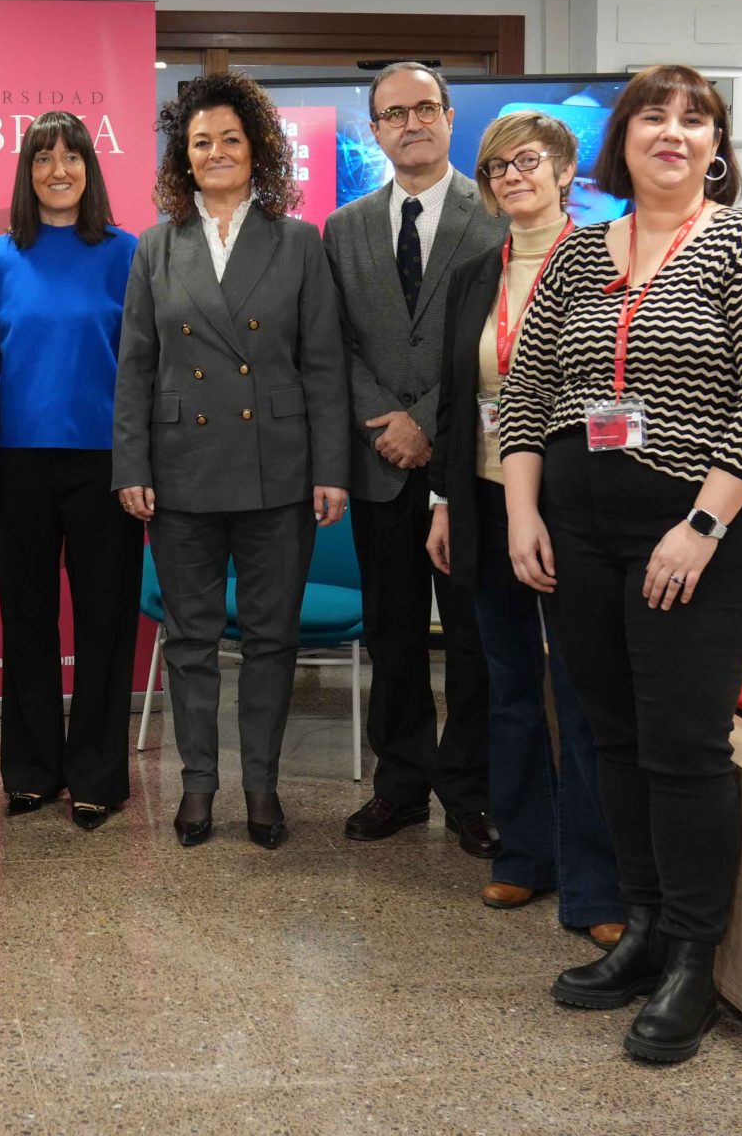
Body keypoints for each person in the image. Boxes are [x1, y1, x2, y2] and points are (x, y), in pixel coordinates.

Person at [498, 65, 742, 1064]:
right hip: (576, 535)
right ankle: (639, 927)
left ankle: (691, 957)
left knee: (682, 744)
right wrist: (520, 514)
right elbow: (527, 389)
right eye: (653, 116)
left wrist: (703, 523)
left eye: (694, 118)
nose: (671, 132)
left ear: (714, 140)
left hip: (699, 535)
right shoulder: (580, 252)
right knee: (610, 735)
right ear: (622, 139)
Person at [111, 72, 350, 851]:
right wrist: (131, 465)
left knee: (272, 637)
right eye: (200, 141)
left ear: (259, 149)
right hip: (180, 468)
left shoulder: (298, 240)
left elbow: (323, 365)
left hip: (277, 466)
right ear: (184, 155)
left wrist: (331, 468)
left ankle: (262, 784)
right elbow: (136, 367)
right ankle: (198, 784)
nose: (216, 152)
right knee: (190, 638)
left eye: (230, 139)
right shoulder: (156, 244)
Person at [424, 113, 624, 951]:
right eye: (496, 165)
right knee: (506, 688)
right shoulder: (477, 272)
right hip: (482, 498)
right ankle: (523, 852)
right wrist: (440, 502)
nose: (511, 175)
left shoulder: (611, 262)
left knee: (579, 698)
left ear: (568, 168)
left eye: (528, 161)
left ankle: (597, 882)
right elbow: (450, 395)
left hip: (572, 511)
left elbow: (620, 385)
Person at [321, 61, 503, 857]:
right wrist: (384, 422)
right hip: (379, 465)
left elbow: (496, 341)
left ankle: (471, 788)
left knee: (471, 634)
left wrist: (425, 421)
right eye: (393, 113)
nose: (411, 123)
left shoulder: (496, 216)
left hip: (470, 463)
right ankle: (398, 783)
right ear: (376, 130)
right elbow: (335, 344)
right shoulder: (344, 226)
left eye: (425, 107)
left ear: (450, 116)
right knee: (392, 633)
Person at [0, 112, 143, 830]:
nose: (58, 169)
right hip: (15, 465)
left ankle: (99, 774)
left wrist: (142, 462)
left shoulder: (126, 252)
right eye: (43, 157)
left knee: (106, 622)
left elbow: (144, 369)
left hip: (106, 466)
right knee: (27, 619)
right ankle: (32, 770)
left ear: (89, 168)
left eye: (71, 156)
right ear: (27, 170)